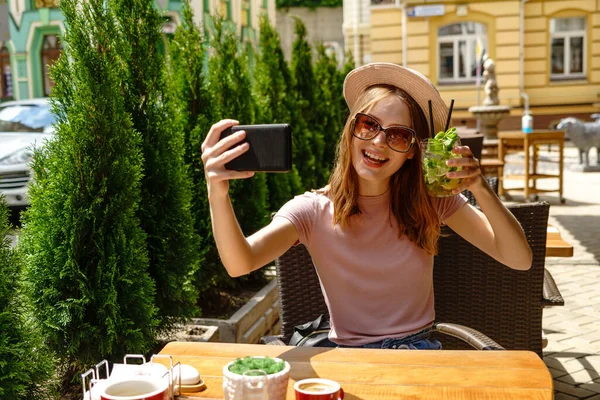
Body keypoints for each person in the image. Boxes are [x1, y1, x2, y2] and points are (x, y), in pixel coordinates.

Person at [200, 62, 532, 350]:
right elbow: (239, 263)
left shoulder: (432, 200)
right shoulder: (312, 210)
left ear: (413, 150)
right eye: (368, 125)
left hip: (418, 352)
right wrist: (218, 192)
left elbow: (519, 259)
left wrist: (480, 186)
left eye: (398, 135)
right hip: (349, 358)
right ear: (351, 130)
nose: (378, 142)